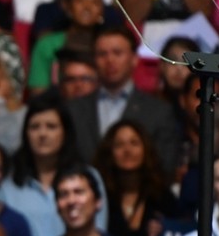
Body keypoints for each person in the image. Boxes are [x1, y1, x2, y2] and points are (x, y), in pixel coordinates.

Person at [0, 94, 107, 236]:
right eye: (35, 127)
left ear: (65, 132)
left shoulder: (88, 177)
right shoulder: (9, 184)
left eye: (51, 126)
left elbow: (99, 233)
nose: (42, 134)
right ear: (25, 133)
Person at [66, 26, 179, 177]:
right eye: (102, 54)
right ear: (94, 60)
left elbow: (164, 165)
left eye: (117, 53)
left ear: (134, 59)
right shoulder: (73, 110)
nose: (110, 60)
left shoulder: (159, 111)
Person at [94, 120, 179, 236]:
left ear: (145, 149)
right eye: (119, 145)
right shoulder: (99, 198)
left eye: (134, 143)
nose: (127, 150)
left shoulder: (163, 197)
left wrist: (165, 229)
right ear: (109, 152)